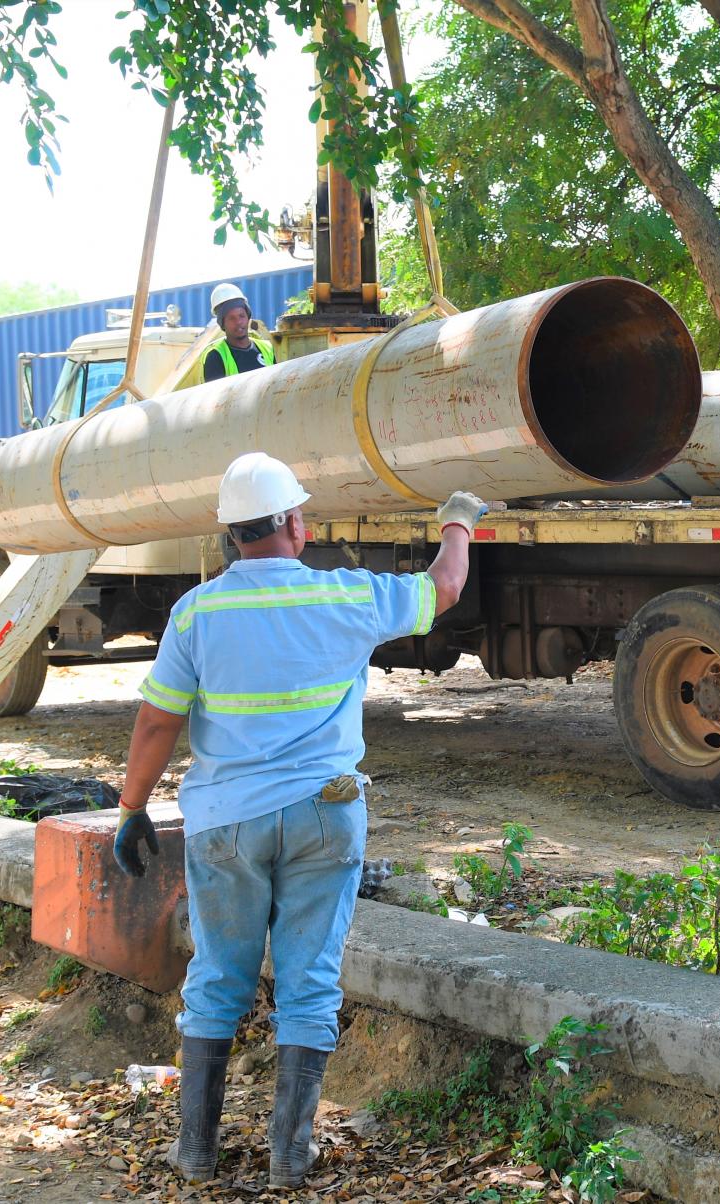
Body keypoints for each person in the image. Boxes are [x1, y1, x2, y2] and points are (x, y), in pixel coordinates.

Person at [111, 451, 485, 1188]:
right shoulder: (344, 597)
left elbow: (156, 723)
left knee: (218, 975)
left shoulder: (197, 612)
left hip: (225, 826)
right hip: (325, 815)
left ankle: (194, 1152)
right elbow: (444, 587)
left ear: (231, 536)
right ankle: (289, 1157)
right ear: (290, 524)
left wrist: (131, 809)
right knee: (309, 979)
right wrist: (458, 522)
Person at [200, 282, 274, 382]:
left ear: (248, 317)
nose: (238, 322)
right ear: (222, 323)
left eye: (241, 316)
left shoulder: (266, 348)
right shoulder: (215, 356)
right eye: (231, 318)